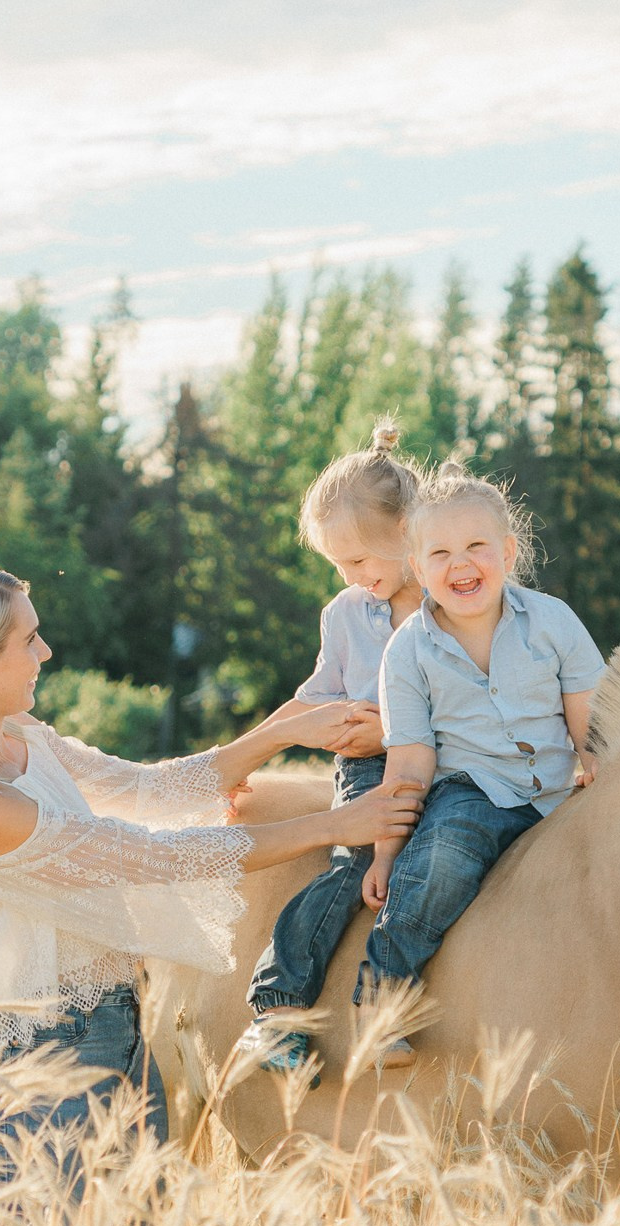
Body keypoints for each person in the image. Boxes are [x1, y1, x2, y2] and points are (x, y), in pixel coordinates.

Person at [0, 565, 421, 1210]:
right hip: (37, 1070)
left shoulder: (21, 741)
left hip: (121, 1031)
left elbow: (149, 790)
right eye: (29, 640)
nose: (45, 652)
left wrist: (281, 733)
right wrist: (333, 825)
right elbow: (154, 857)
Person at [358, 466, 606, 1068]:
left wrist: (599, 768)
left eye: (476, 546)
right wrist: (388, 853)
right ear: (417, 569)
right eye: (440, 552)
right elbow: (411, 762)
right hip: (474, 792)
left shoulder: (553, 622)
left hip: (555, 792)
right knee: (441, 860)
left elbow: (591, 723)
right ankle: (382, 1001)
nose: (460, 564)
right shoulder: (408, 652)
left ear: (508, 552)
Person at [243, 419, 424, 1081]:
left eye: (359, 561)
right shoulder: (347, 612)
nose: (351, 577)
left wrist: (400, 728)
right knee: (354, 868)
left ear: (409, 532)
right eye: (339, 566)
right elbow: (313, 698)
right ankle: (278, 1005)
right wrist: (257, 747)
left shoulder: (451, 608)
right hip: (368, 770)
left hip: (442, 763)